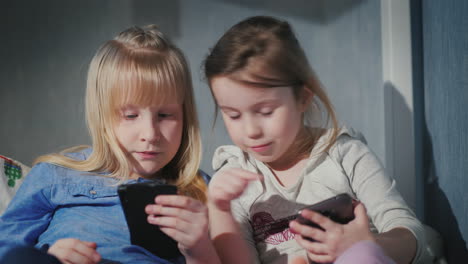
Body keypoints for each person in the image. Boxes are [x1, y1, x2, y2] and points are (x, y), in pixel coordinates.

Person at [204, 16, 425, 264]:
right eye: (232, 115)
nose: (250, 130)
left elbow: (416, 237)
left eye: (266, 112)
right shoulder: (232, 180)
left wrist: (369, 245)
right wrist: (219, 210)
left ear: (303, 98)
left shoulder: (345, 153)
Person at [0, 25, 220, 264]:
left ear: (185, 117)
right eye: (130, 115)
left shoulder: (202, 189)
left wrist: (199, 250)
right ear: (102, 116)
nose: (150, 134)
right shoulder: (56, 175)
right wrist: (49, 255)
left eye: (165, 115)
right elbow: (7, 248)